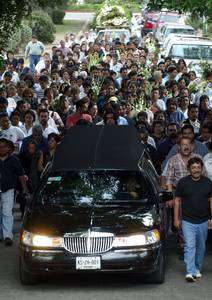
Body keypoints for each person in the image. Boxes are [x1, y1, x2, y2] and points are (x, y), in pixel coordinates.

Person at [174, 157, 212, 282]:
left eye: (198, 167)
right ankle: (190, 272)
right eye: (193, 168)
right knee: (190, 246)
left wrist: (211, 219)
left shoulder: (208, 183)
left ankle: (196, 267)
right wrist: (176, 219)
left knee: (201, 247)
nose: (196, 170)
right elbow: (177, 201)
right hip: (187, 220)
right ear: (189, 169)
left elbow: (211, 201)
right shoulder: (182, 182)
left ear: (201, 169)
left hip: (203, 220)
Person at [0, 138, 28, 246]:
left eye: (3, 146)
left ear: (8, 148)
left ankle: (7, 236)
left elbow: (21, 175)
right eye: (0, 146)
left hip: (8, 190)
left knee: (6, 212)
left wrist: (24, 189)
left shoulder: (14, 160)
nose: (1, 149)